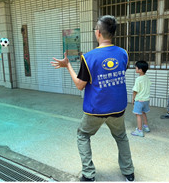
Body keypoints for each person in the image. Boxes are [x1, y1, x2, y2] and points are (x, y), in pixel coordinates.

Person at [50, 15, 134, 182]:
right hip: (118, 107)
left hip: (96, 108)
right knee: (121, 136)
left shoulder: (89, 57)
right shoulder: (123, 53)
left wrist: (67, 66)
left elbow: (80, 85)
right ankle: (129, 173)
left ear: (98, 33)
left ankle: (88, 175)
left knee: (83, 135)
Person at [130, 61, 151, 137]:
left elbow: (135, 90)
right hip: (146, 100)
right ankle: (146, 127)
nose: (135, 68)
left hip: (139, 100)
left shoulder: (138, 79)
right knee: (143, 113)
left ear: (140, 70)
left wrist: (133, 99)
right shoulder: (146, 77)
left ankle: (139, 130)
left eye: (136, 67)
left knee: (138, 115)